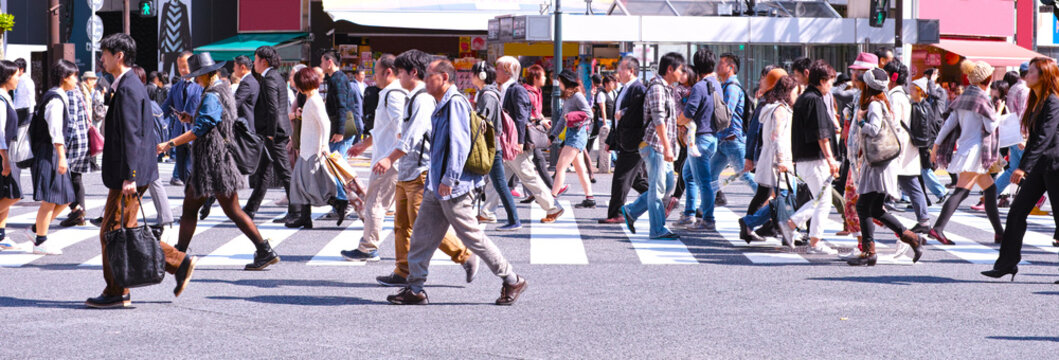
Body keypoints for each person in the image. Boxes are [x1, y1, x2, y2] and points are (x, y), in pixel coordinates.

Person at [386, 58, 525, 306]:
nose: (426, 80)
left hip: (454, 186)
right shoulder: (441, 103)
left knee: (472, 237)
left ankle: (512, 279)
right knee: (421, 235)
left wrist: (449, 178)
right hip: (436, 184)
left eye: (431, 76)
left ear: (445, 78)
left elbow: (459, 145)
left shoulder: (455, 103)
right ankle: (415, 288)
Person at [88, 33, 195, 309]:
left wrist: (130, 177)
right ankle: (176, 264)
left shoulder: (128, 88)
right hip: (133, 171)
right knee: (122, 229)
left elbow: (133, 135)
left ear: (119, 55)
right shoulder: (128, 85)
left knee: (112, 231)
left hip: (131, 173)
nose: (102, 58)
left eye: (105, 53)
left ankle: (117, 290)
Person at [157, 52, 280, 271]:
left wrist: (170, 143)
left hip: (212, 163)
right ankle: (263, 250)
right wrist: (191, 116)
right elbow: (212, 121)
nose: (195, 80)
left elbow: (202, 128)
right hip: (217, 161)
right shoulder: (221, 89)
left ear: (206, 75)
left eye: (197, 76)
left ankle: (179, 256)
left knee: (204, 209)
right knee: (218, 209)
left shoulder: (212, 94)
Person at [367, 52, 478, 286]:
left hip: (421, 170)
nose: (398, 78)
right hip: (407, 170)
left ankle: (465, 255)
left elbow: (413, 135)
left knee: (423, 227)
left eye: (400, 73)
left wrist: (390, 158)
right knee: (402, 225)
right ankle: (402, 270)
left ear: (412, 73)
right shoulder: (411, 97)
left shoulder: (422, 98)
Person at [984, 57, 1059, 280]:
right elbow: (1035, 138)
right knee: (1016, 212)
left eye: (1032, 71)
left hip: (1055, 165)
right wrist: (1023, 166)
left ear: (1044, 75)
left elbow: (1045, 137)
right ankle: (1007, 264)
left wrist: (1022, 168)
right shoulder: (1038, 100)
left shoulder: (1053, 101)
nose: (1027, 75)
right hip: (1040, 166)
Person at [846, 68, 924, 266]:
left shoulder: (874, 105)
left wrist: (860, 120)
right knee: (873, 208)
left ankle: (870, 252)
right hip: (882, 162)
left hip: (879, 164)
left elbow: (873, 129)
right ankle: (911, 237)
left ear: (867, 86)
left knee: (864, 206)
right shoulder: (883, 101)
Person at [929, 61, 1005, 245]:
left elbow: (948, 125)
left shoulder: (962, 98)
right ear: (987, 79)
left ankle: (999, 233)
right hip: (977, 151)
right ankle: (937, 229)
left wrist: (936, 147)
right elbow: (990, 125)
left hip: (965, 148)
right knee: (961, 192)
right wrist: (999, 111)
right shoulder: (982, 99)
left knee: (991, 189)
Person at [340, 53, 403, 259]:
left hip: (388, 159)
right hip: (389, 157)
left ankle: (368, 247)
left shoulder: (392, 94)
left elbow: (400, 127)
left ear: (388, 72)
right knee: (403, 210)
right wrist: (364, 144)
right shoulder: (392, 92)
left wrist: (391, 157)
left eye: (375, 72)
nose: (372, 77)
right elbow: (382, 128)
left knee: (374, 203)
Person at [621, 52, 684, 239]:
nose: (682, 73)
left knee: (666, 185)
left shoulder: (666, 88)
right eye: (680, 69)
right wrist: (667, 147)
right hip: (655, 145)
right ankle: (657, 229)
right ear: (670, 69)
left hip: (662, 146)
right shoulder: (657, 88)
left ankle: (631, 211)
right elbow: (658, 120)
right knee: (657, 188)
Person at [24, 60, 83, 255]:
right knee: (50, 198)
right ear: (64, 78)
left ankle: (37, 230)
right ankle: (40, 241)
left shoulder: (59, 96)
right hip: (49, 152)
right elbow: (55, 131)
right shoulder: (56, 100)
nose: (77, 80)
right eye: (74, 76)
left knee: (66, 197)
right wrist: (62, 156)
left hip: (52, 151)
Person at [496, 56, 564, 223]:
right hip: (508, 141)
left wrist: (519, 141)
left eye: (497, 69)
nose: (495, 72)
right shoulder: (508, 88)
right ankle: (487, 211)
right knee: (496, 178)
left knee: (527, 176)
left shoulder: (516, 89)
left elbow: (521, 117)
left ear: (507, 71)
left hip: (514, 142)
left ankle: (553, 207)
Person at [785, 60, 841, 254]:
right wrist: (831, 159)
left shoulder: (805, 98)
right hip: (815, 159)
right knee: (823, 200)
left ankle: (792, 226)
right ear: (823, 80)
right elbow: (821, 134)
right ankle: (813, 240)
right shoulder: (814, 100)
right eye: (831, 82)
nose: (831, 86)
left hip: (806, 159)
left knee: (819, 199)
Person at [242, 46, 301, 224]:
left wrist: (269, 134)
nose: (253, 63)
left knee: (285, 173)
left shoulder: (268, 79)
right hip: (276, 131)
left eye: (255, 59)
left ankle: (296, 211)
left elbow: (274, 109)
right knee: (263, 173)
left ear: (264, 61)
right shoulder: (276, 77)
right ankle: (251, 208)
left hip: (273, 133)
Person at [739, 70, 794, 243]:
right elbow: (776, 137)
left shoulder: (769, 107)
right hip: (777, 160)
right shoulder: (779, 110)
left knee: (770, 195)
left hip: (769, 158)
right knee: (784, 197)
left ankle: (780, 229)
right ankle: (751, 222)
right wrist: (782, 161)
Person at [471, 61, 522, 230]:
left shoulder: (487, 95)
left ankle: (514, 220)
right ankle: (504, 218)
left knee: (499, 184)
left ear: (481, 76)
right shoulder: (488, 93)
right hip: (492, 145)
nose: (471, 77)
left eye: (473, 74)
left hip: (491, 146)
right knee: (497, 183)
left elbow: (482, 122)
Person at [883, 60, 931, 242]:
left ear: (893, 77)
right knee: (910, 182)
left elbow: (893, 123)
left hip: (899, 146)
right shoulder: (901, 95)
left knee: (905, 182)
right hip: (906, 146)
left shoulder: (895, 96)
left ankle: (922, 220)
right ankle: (923, 219)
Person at [599, 57, 649, 224]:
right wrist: (611, 140)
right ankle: (663, 199)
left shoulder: (638, 88)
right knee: (633, 179)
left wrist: (625, 112)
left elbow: (640, 111)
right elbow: (616, 120)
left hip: (634, 141)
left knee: (621, 178)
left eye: (621, 69)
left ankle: (616, 213)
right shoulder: (625, 89)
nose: (618, 72)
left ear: (631, 71)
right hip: (624, 140)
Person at [678, 48, 721, 230]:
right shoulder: (717, 85)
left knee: (704, 181)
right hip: (712, 138)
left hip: (699, 140)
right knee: (688, 174)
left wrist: (678, 121)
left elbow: (688, 113)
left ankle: (708, 219)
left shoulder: (700, 86)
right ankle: (689, 214)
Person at [709, 53, 757, 207]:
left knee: (745, 176)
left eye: (722, 63)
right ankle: (708, 208)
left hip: (732, 140)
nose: (718, 65)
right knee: (710, 175)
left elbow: (725, 114)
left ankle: (770, 200)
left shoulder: (732, 88)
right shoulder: (724, 86)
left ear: (731, 68)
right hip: (724, 141)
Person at [57, 67, 96, 229]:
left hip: (74, 143)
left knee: (66, 178)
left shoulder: (71, 94)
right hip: (81, 140)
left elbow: (71, 123)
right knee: (75, 178)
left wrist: (63, 145)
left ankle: (77, 210)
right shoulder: (78, 92)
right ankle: (78, 211)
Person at [550, 69, 596, 208]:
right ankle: (590, 198)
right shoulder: (569, 97)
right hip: (572, 134)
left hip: (577, 135)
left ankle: (552, 198)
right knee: (580, 169)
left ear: (565, 82)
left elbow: (589, 114)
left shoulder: (577, 96)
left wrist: (571, 116)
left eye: (560, 81)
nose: (558, 84)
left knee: (560, 166)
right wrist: (553, 135)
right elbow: (561, 121)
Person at [160, 51, 203, 186]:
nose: (182, 70)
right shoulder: (176, 87)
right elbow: (165, 109)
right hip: (179, 135)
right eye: (179, 67)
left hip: (195, 134)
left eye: (185, 66)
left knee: (190, 171)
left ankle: (199, 200)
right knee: (182, 174)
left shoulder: (201, 85)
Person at [519, 64, 558, 196]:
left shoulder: (538, 91)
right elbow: (525, 114)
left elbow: (537, 112)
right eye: (543, 76)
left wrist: (544, 122)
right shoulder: (527, 93)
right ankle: (553, 188)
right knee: (538, 161)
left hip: (533, 130)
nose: (546, 78)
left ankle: (529, 192)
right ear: (536, 77)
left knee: (521, 164)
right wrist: (539, 121)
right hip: (528, 131)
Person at [0, 61, 23, 251]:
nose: (18, 78)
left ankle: (1, 234)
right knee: (13, 193)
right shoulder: (0, 99)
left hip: (7, 150)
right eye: (16, 75)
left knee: (5, 193)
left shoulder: (6, 96)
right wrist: (5, 158)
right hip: (2, 152)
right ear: (6, 77)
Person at [321, 52, 362, 152]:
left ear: (329, 62)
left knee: (337, 163)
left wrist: (340, 132)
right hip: (340, 127)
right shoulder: (335, 78)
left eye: (322, 62)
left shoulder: (338, 79)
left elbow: (341, 106)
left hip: (343, 129)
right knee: (336, 162)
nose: (320, 65)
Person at [595, 74, 617, 174]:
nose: (614, 84)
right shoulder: (601, 94)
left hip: (613, 120)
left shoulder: (614, 93)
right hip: (605, 120)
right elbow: (602, 109)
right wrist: (604, 123)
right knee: (608, 142)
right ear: (606, 84)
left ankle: (601, 161)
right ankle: (615, 161)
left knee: (608, 142)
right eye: (612, 83)